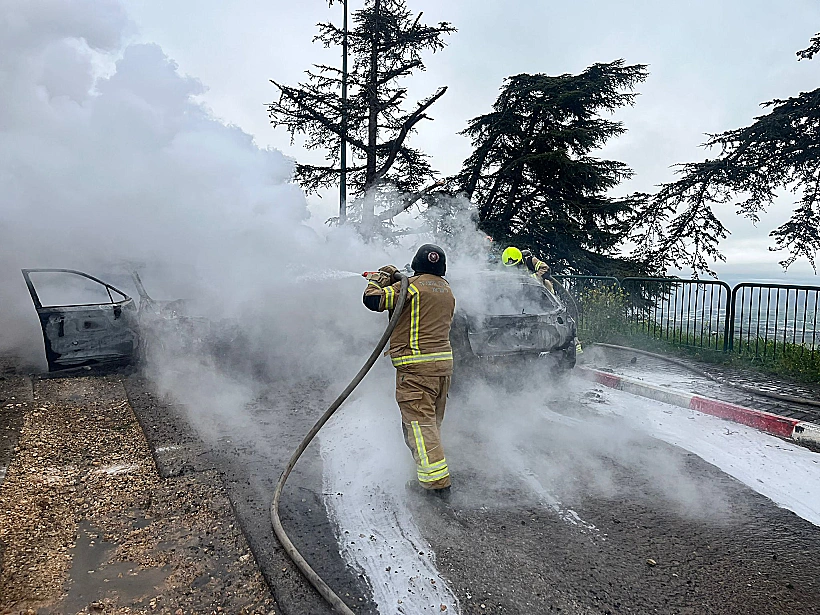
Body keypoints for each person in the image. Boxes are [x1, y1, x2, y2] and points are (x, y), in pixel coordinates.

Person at [362, 244, 455, 498]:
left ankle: (436, 484)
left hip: (415, 369)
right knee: (430, 424)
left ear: (416, 264)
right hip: (442, 369)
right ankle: (427, 473)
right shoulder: (446, 290)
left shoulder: (409, 287)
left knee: (419, 424)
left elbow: (373, 301)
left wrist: (380, 280)